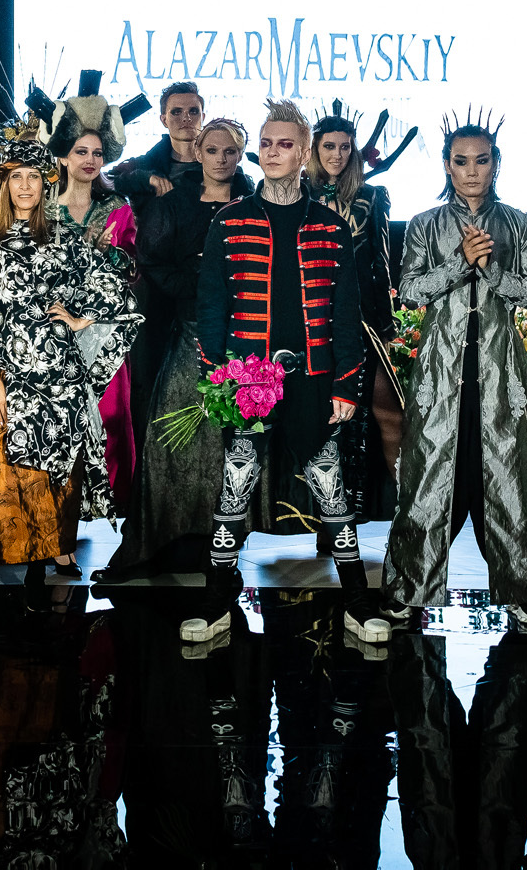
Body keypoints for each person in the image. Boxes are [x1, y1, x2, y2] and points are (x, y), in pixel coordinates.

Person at [180, 101, 374, 645]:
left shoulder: (331, 227)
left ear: (304, 152)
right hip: (246, 378)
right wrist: (218, 376)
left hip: (313, 379)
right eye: (265, 143)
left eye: (284, 144)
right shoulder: (229, 221)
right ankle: (217, 599)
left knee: (332, 491)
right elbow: (212, 307)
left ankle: (358, 599)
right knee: (234, 488)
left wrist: (346, 383)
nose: (271, 152)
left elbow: (345, 313)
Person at [0, 120, 140, 582]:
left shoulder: (66, 241)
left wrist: (81, 318)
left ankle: (40, 574)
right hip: (1, 375)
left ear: (46, 184)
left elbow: (113, 288)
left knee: (49, 476)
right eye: (16, 177)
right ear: (4, 184)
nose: (25, 186)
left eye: (33, 177)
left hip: (57, 378)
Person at [383, 116, 527, 629]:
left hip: (500, 370)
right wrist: (459, 262)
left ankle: (523, 590)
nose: (472, 171)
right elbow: (409, 291)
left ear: (496, 163)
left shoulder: (519, 222)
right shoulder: (425, 223)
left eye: (482, 160)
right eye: (461, 161)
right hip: (440, 370)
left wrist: (490, 269)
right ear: (446, 165)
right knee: (428, 475)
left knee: (508, 473)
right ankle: (407, 589)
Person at [108, 118, 255, 575]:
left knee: (229, 444)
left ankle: (219, 542)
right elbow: (152, 261)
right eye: (212, 150)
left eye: (229, 151)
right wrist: (195, 289)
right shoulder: (175, 203)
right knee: (170, 434)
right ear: (198, 153)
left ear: (239, 155)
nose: (221, 159)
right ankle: (157, 539)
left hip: (243, 338)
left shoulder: (253, 204)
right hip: (189, 329)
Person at [45, 74, 144, 511]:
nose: (90, 160)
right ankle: (60, 515)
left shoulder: (118, 208)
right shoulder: (44, 210)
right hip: (53, 329)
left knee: (111, 419)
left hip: (103, 331)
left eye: (98, 153)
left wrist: (109, 255)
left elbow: (132, 270)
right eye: (81, 152)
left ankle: (111, 514)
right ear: (64, 158)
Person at [305, 103, 405, 531]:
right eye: (329, 146)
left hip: (362, 319)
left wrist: (386, 325)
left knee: (378, 412)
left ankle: (385, 507)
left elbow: (381, 262)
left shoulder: (372, 195)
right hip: (310, 320)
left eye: (345, 147)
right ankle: (321, 518)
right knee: (320, 417)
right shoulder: (299, 193)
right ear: (315, 148)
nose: (338, 154)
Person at [109, 80, 204, 449]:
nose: (185, 118)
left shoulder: (220, 162)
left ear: (203, 115)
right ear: (163, 118)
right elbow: (112, 180)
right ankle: (146, 466)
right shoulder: (144, 166)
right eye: (176, 112)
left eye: (193, 111)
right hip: (154, 288)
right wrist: (144, 179)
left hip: (203, 289)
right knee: (148, 375)